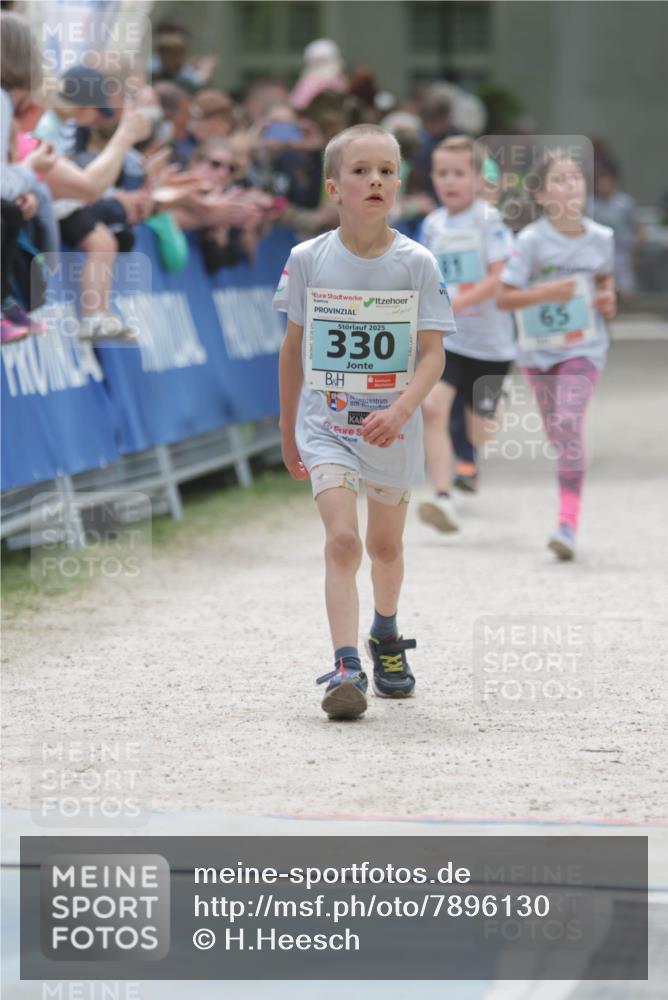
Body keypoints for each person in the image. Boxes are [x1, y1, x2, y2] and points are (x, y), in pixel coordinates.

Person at [273, 123, 454, 720]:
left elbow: (433, 354)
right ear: (334, 187)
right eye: (360, 171)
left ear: (397, 184)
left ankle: (385, 633)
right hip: (327, 427)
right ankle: (346, 664)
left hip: (392, 431)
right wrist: (287, 428)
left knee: (384, 545)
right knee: (344, 541)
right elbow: (293, 349)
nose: (374, 179)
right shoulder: (307, 259)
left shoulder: (416, 263)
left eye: (386, 170)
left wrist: (402, 408)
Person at [497, 150, 616, 560]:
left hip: (584, 347)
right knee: (559, 434)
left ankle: (567, 524)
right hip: (538, 354)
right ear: (543, 194)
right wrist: (547, 292)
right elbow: (504, 298)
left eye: (576, 178)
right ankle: (571, 473)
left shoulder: (602, 238)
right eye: (560, 180)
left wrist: (607, 299)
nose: (571, 186)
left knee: (568, 422)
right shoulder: (529, 241)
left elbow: (604, 283)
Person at [417, 136, 516, 532]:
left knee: (480, 430)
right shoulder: (432, 224)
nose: (449, 181)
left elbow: (500, 277)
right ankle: (442, 498)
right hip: (449, 340)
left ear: (477, 178)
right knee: (433, 407)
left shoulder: (488, 220)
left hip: (491, 344)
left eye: (459, 173)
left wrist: (457, 302)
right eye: (442, 173)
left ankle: (493, 409)